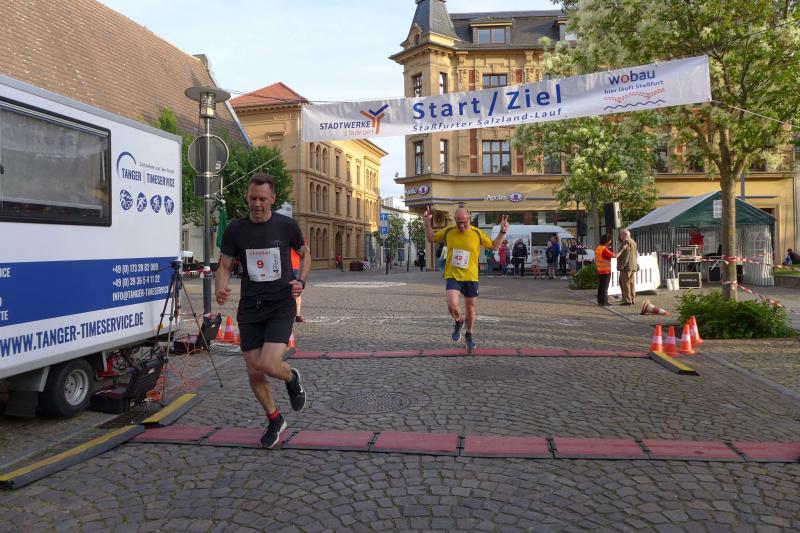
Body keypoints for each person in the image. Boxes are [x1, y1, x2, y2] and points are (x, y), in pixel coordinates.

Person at [215, 173, 310, 449]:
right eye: (252, 198)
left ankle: (291, 377)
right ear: (247, 197)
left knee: (268, 364)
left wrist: (301, 281)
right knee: (254, 371)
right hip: (250, 308)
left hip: (280, 305)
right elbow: (224, 265)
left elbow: (305, 254)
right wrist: (220, 287)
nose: (256, 204)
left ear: (272, 199)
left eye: (262, 199)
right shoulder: (236, 229)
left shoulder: (287, 226)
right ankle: (275, 419)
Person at [424, 206, 509, 350]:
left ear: (470, 219)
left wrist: (502, 232)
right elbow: (431, 238)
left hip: (471, 276)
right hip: (453, 274)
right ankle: (458, 321)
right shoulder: (449, 231)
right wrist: (427, 222)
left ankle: (469, 334)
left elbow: (494, 247)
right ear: (455, 220)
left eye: (465, 222)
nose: (462, 225)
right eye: (459, 223)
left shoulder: (477, 233)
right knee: (452, 303)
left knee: (470, 308)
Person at [594, 234, 624, 306]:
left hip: (599, 269)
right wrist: (623, 249)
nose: (611, 241)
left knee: (600, 287)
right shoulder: (604, 249)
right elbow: (615, 256)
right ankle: (604, 302)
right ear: (607, 241)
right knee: (605, 287)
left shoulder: (598, 248)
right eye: (610, 240)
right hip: (606, 270)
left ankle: (600, 301)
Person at [616, 229, 638, 305]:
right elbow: (635, 254)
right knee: (631, 283)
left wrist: (623, 264)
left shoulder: (626, 241)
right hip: (632, 265)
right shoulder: (633, 241)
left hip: (626, 266)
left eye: (620, 234)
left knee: (625, 283)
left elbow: (626, 253)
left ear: (624, 234)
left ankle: (627, 300)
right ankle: (632, 299)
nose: (620, 236)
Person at [290, 248, 304, 322]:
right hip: (295, 267)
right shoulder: (297, 243)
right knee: (297, 291)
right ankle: (298, 314)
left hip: (286, 268)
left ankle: (296, 314)